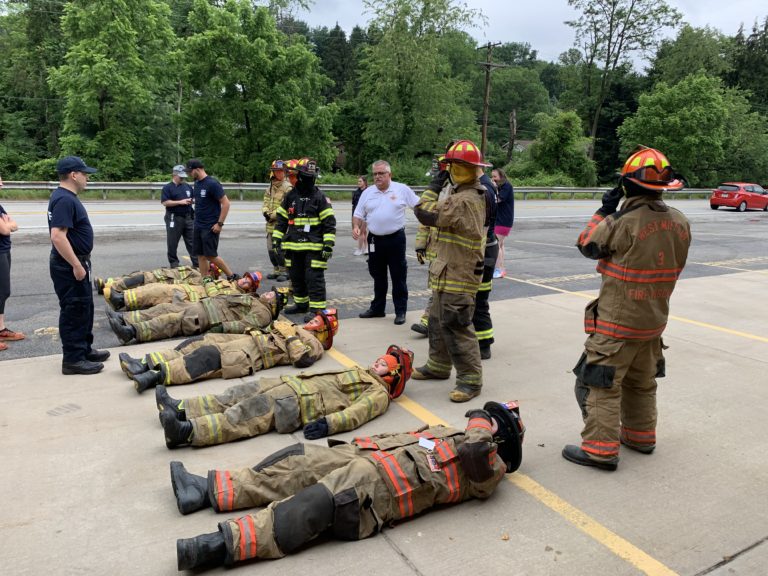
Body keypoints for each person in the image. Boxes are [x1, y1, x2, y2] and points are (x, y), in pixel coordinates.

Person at [170, 400, 524, 571]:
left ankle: (219, 544)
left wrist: (481, 423)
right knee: (296, 462)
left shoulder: (493, 467)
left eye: (495, 422)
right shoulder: (453, 434)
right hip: (363, 458)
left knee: (313, 504)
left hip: (378, 491)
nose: (484, 421)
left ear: (501, 435)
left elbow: (477, 452)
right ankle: (204, 491)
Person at [562, 146, 691, 472]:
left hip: (617, 326)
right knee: (641, 383)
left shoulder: (622, 221)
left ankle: (599, 450)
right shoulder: (680, 222)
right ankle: (641, 436)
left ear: (626, 186)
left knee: (601, 387)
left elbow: (586, 244)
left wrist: (604, 210)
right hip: (652, 323)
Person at [157, 344, 413, 449]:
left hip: (297, 403)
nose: (376, 363)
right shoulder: (361, 372)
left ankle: (188, 432)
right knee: (234, 394)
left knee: (243, 415)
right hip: (287, 385)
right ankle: (181, 408)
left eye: (382, 364)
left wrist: (329, 424)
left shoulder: (379, 393)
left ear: (393, 374)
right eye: (378, 360)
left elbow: (357, 414)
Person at [412, 140, 488, 402]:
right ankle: (438, 365)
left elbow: (422, 212)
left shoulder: (465, 199)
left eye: (459, 167)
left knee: (456, 326)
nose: (456, 172)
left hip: (460, 273)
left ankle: (470, 380)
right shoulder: (458, 195)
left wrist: (434, 186)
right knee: (436, 321)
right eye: (455, 167)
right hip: (447, 270)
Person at [118, 309, 338, 393]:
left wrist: (290, 335)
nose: (312, 321)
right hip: (249, 339)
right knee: (199, 342)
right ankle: (144, 363)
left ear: (324, 330)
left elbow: (302, 360)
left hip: (255, 355)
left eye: (318, 321)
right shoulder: (299, 328)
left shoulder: (316, 345)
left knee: (206, 358)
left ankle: (153, 376)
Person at [48, 156, 110, 375]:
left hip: (77, 261)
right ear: (73, 175)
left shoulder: (65, 197)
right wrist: (76, 264)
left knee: (85, 307)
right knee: (74, 309)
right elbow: (57, 236)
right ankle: (73, 359)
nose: (87, 178)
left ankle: (84, 350)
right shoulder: (65, 199)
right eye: (85, 174)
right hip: (69, 265)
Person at [353, 160, 419, 325]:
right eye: (375, 174)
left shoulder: (401, 189)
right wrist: (356, 226)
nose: (377, 177)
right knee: (378, 275)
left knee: (398, 276)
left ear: (390, 174)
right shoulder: (368, 192)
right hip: (375, 239)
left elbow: (419, 205)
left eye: (381, 173)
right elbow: (358, 213)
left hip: (395, 239)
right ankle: (378, 308)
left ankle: (400, 311)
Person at [273, 158, 336, 322]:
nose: (309, 180)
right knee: (296, 277)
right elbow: (281, 220)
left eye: (312, 176)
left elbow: (329, 224)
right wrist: (276, 239)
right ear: (299, 176)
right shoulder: (290, 196)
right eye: (306, 176)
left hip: (314, 248)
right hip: (293, 247)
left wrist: (328, 245)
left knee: (314, 279)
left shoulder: (320, 197)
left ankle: (317, 310)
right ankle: (301, 304)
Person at [105, 288, 286, 345]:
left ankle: (131, 332)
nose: (269, 293)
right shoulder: (254, 298)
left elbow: (245, 325)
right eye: (271, 292)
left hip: (207, 316)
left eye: (272, 296)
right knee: (164, 308)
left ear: (273, 305)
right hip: (203, 305)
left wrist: (223, 328)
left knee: (170, 322)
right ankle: (125, 319)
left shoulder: (263, 313)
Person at [411, 155, 449, 337]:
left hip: (450, 250)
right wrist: (420, 245)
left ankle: (428, 322)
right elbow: (425, 218)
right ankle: (429, 322)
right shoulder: (439, 189)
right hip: (436, 249)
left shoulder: (457, 190)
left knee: (442, 290)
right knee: (437, 288)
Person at [106, 270, 261, 311]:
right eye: (246, 277)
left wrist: (208, 282)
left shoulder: (236, 295)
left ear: (250, 289)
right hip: (188, 289)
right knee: (153, 289)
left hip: (190, 297)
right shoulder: (229, 283)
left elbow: (216, 297)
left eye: (248, 283)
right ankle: (123, 298)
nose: (244, 280)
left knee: (156, 294)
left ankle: (121, 300)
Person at [185, 159, 234, 281]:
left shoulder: (212, 184)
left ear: (197, 169)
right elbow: (204, 200)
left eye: (190, 172)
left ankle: (231, 276)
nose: (189, 174)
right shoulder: (197, 183)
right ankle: (205, 280)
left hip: (210, 226)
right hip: (198, 225)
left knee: (211, 255)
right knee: (200, 255)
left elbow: (226, 204)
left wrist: (220, 224)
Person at [0, 189, 25, 351]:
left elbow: (14, 225)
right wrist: (8, 225)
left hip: (4, 250)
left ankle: (1, 329)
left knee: (3, 292)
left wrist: (9, 225)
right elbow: (5, 230)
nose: (2, 183)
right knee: (1, 291)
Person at [161, 165, 198, 270]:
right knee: (172, 241)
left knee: (192, 241)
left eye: (183, 176)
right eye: (180, 176)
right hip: (174, 217)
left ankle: (196, 263)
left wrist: (192, 200)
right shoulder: (167, 188)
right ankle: (174, 263)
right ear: (174, 174)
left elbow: (194, 197)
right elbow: (165, 202)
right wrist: (180, 202)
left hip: (188, 217)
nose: (182, 178)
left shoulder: (187, 186)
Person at [262, 160, 291, 281]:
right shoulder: (270, 187)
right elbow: (265, 202)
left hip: (281, 224)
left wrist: (272, 215)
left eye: (281, 171)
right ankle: (276, 270)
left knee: (280, 249)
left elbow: (286, 206)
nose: (279, 173)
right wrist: (265, 212)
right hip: (269, 225)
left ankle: (285, 272)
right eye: (277, 171)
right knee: (270, 250)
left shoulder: (288, 188)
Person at [95, 265, 202, 295]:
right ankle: (107, 282)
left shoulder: (200, 279)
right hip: (162, 274)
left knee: (139, 280)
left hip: (164, 280)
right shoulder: (196, 270)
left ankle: (110, 287)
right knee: (137, 274)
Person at [491, 168, 514, 278]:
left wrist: (493, 188)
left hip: (503, 220)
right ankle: (501, 267)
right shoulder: (501, 186)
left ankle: (499, 269)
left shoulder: (506, 186)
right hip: (502, 219)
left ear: (501, 176)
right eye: (492, 176)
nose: (493, 179)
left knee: (496, 245)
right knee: (500, 244)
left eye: (495, 177)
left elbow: (498, 200)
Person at [351, 175, 368, 256]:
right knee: (364, 232)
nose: (358, 183)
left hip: (365, 215)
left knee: (362, 232)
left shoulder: (368, 192)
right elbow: (354, 205)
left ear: (365, 182)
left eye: (360, 181)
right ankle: (366, 248)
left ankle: (360, 249)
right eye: (358, 181)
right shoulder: (356, 192)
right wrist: (353, 216)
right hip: (357, 215)